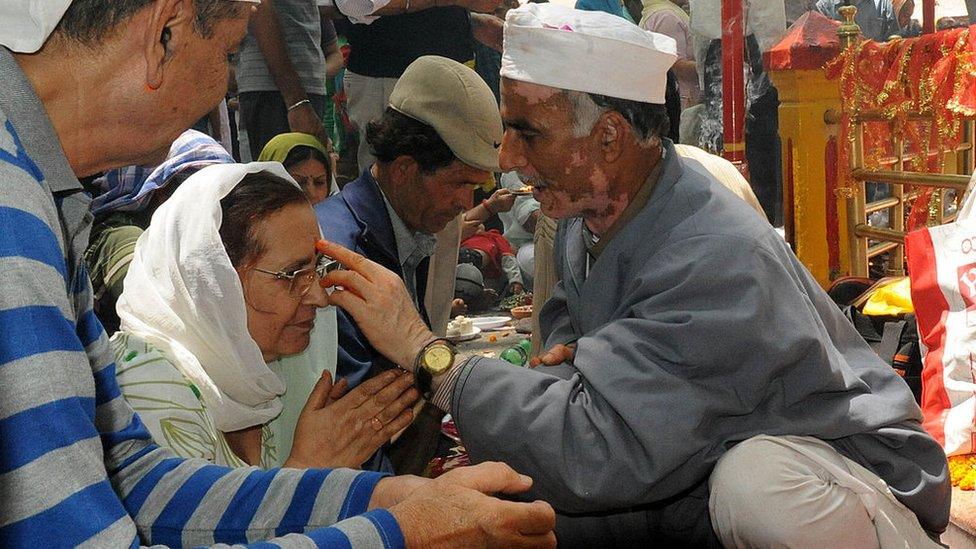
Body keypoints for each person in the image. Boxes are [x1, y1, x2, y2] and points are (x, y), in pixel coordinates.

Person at [318, 4, 950, 546]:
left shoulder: (713, 255)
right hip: (680, 461)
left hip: (848, 473)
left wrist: (430, 356)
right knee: (517, 515)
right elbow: (571, 316)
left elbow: (597, 449)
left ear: (610, 140)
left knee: (755, 491)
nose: (506, 160)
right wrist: (573, 359)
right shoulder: (589, 212)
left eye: (525, 133)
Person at [0, 1, 557, 546]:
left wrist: (379, 500)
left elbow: (137, 477)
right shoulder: (11, 212)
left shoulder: (41, 200)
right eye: (229, 52)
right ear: (164, 32)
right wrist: (399, 531)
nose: (226, 87)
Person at [113, 162, 416, 469]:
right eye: (291, 275)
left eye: (317, 269)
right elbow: (181, 517)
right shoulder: (145, 389)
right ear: (214, 281)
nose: (320, 298)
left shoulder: (263, 367)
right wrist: (306, 471)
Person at [315, 55, 500, 390]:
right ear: (403, 170)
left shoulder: (405, 223)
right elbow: (372, 411)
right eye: (459, 184)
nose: (466, 204)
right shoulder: (341, 254)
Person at [85, 129, 234, 334]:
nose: (211, 202)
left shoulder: (203, 232)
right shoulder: (124, 239)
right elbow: (164, 320)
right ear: (158, 193)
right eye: (194, 188)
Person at [236, 0, 339, 161]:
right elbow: (259, 8)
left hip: (300, 88)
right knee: (275, 181)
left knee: (304, 179)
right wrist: (296, 101)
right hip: (276, 91)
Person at [258, 131, 338, 204]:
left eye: (319, 182)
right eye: (298, 183)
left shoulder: (340, 217)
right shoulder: (252, 218)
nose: (312, 194)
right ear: (271, 183)